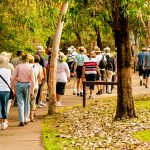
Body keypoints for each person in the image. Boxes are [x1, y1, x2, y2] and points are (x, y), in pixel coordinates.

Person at [11, 53, 34, 126]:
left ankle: (21, 120)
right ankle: (26, 118)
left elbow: (13, 78)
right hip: (27, 84)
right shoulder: (30, 67)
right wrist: (32, 91)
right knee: (27, 102)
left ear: (21, 60)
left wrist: (13, 88)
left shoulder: (18, 67)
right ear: (27, 60)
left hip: (19, 84)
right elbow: (32, 80)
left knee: (20, 103)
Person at [0, 52, 12, 130]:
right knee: (4, 106)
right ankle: (4, 122)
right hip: (6, 91)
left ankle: (1, 122)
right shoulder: (8, 71)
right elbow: (10, 80)